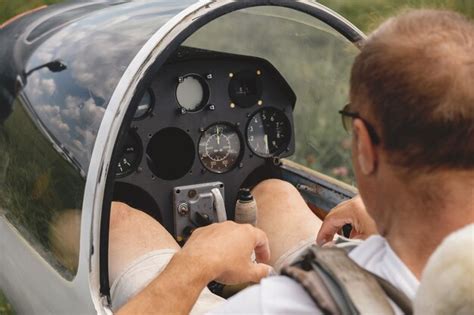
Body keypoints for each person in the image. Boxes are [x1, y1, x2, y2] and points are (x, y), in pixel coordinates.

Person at [113, 9, 474, 314]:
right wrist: (391, 217)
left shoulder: (274, 306)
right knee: (274, 192)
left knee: (120, 221)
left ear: (365, 146)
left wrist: (194, 265)